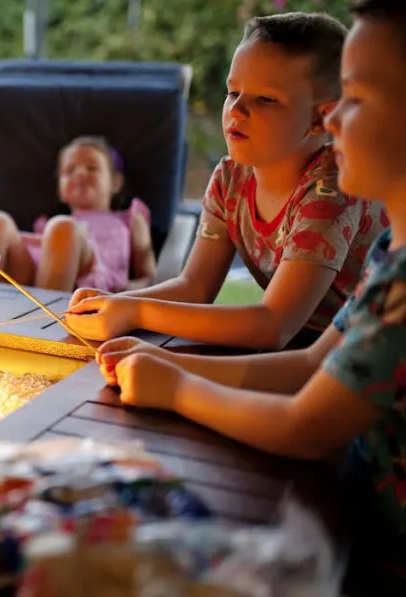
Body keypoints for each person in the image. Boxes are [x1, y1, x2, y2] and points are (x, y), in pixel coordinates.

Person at [99, 0, 406, 591]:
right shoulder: (394, 247)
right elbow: (311, 365)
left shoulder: (393, 271)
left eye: (357, 100)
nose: (337, 118)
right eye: (233, 93)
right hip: (351, 505)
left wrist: (181, 386)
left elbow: (306, 423)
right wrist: (164, 359)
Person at [65, 12, 389, 351]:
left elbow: (273, 324)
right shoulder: (231, 177)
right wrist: (114, 303)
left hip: (366, 359)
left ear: (322, 117)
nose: (237, 110)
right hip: (302, 353)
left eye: (265, 99)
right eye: (233, 92)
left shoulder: (332, 189)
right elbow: (195, 287)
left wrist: (136, 311)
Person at [0, 136, 156, 292]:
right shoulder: (46, 224)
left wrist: (125, 293)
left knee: (63, 228)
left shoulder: (130, 219)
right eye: (69, 170)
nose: (80, 173)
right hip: (34, 278)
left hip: (89, 285)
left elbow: (149, 278)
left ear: (115, 182)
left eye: (92, 168)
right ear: (60, 190)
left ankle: (45, 332)